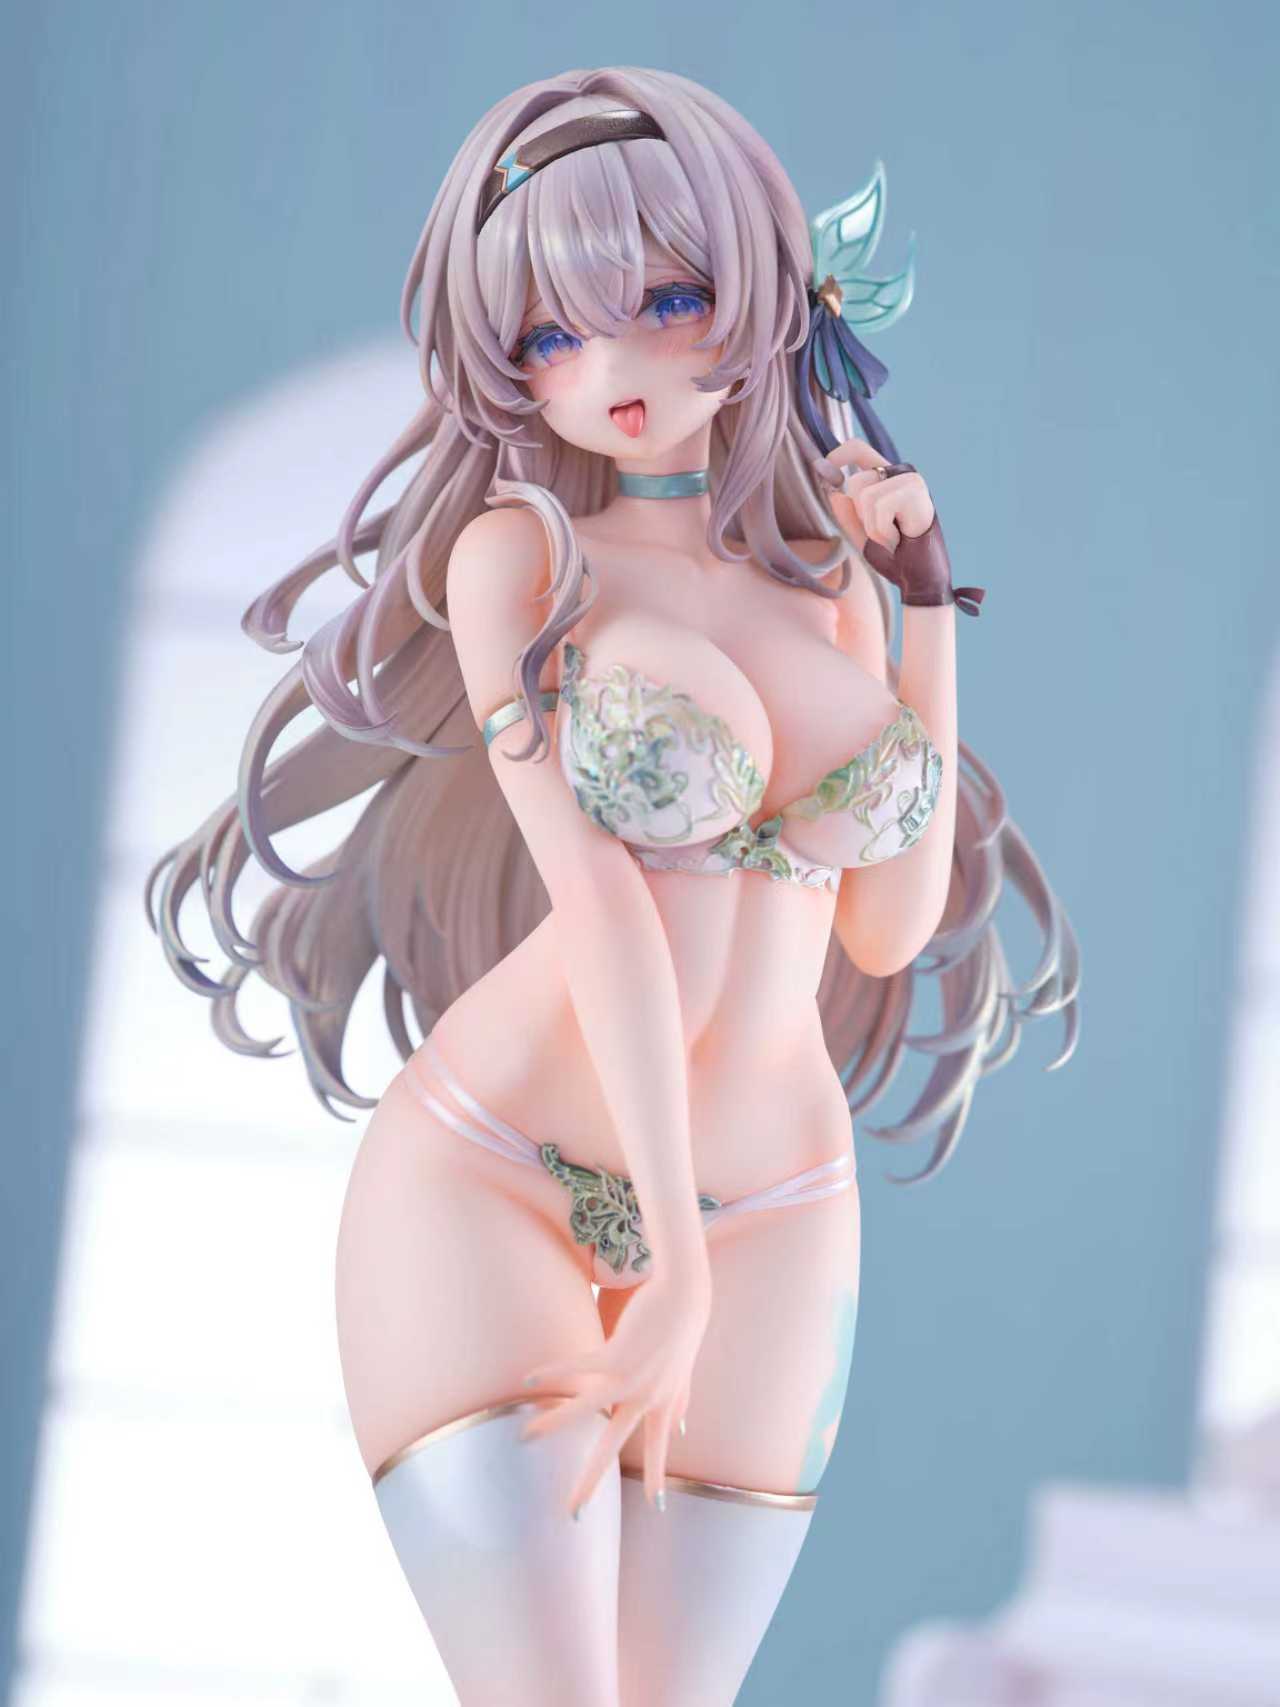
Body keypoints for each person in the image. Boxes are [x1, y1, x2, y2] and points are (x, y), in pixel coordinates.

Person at [147, 64, 1078, 1707]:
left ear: (764, 294)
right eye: (548, 337)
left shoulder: (833, 591)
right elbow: (602, 913)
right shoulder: (520, 561)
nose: (612, 371)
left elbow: (884, 925)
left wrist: (927, 607)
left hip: (779, 1203)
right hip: (498, 1174)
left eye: (665, 301)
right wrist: (670, 1259)